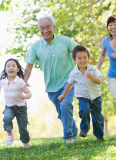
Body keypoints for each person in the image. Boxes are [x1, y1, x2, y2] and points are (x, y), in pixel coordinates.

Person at [24, 15, 78, 143]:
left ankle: (69, 137)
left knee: (65, 105)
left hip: (68, 80)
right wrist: (24, 82)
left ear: (53, 27)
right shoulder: (35, 47)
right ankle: (74, 131)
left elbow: (80, 52)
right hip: (51, 86)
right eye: (42, 28)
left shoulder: (65, 41)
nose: (45, 30)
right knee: (62, 112)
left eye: (48, 27)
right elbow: (29, 66)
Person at [58, 45, 104, 140]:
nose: (82, 60)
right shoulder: (74, 73)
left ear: (88, 58)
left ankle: (99, 136)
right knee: (84, 110)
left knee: (97, 118)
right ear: (74, 60)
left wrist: (91, 77)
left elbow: (99, 81)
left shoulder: (93, 69)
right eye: (79, 58)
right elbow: (69, 85)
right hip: (83, 97)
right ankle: (84, 129)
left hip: (95, 96)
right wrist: (63, 95)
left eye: (85, 57)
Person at [0, 58, 32, 149]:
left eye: (13, 66)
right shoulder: (3, 81)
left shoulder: (20, 81)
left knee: (23, 128)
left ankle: (26, 142)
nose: (10, 67)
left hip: (21, 107)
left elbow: (29, 94)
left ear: (18, 69)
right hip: (9, 106)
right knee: (6, 118)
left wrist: (25, 96)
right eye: (8, 66)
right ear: (5, 69)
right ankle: (10, 135)